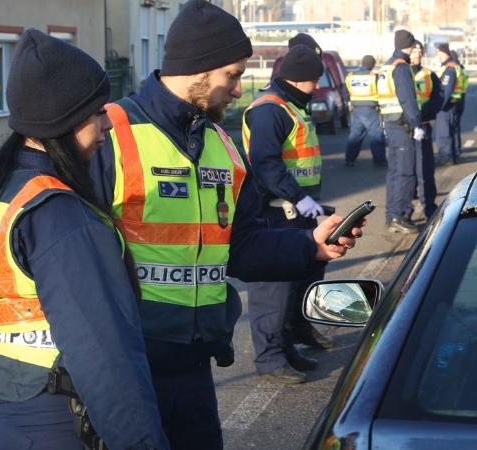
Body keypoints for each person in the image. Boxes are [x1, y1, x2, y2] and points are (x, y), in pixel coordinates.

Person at [88, 1, 365, 448]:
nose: (238, 90)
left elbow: (244, 246)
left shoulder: (220, 144)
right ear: (198, 68)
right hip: (127, 371)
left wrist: (310, 246)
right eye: (232, 75)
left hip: (195, 365)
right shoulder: (111, 133)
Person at [0, 30, 169, 450]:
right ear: (64, 120)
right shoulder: (60, 213)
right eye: (98, 112)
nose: (106, 124)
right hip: (50, 420)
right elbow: (105, 356)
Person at [241, 45, 328, 384]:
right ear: (298, 79)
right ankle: (270, 360)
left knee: (297, 283)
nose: (316, 87)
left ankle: (287, 348)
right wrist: (299, 196)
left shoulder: (290, 106)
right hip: (278, 212)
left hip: (297, 210)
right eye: (314, 81)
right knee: (273, 289)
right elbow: (266, 164)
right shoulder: (269, 110)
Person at [376, 29, 422, 234]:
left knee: (394, 173)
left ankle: (391, 215)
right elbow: (407, 100)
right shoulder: (402, 67)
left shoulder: (387, 66)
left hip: (391, 124)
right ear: (410, 46)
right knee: (405, 173)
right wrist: (417, 124)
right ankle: (400, 216)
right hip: (402, 126)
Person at [410, 40, 441, 221]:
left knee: (425, 169)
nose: (418, 54)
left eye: (420, 51)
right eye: (415, 51)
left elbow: (438, 97)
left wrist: (425, 114)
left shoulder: (429, 75)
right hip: (404, 128)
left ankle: (429, 207)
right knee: (405, 172)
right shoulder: (399, 73)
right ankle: (404, 210)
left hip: (423, 126)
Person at [344, 55, 387, 167]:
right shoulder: (374, 77)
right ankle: (379, 160)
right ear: (372, 65)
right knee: (376, 135)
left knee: (355, 135)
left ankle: (349, 159)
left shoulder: (350, 76)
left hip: (356, 110)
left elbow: (345, 92)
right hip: (370, 109)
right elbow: (382, 92)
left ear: (362, 63)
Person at [434, 43, 463, 165]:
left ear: (445, 53)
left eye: (439, 52)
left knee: (444, 133)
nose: (438, 55)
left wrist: (437, 107)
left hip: (446, 106)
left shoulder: (450, 69)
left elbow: (446, 91)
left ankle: (446, 157)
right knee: (451, 131)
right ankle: (452, 154)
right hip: (454, 104)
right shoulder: (452, 67)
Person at [450, 50, 468, 158]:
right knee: (457, 126)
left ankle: (456, 149)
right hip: (462, 98)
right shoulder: (462, 69)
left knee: (453, 127)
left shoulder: (454, 69)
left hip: (453, 100)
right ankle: (458, 148)